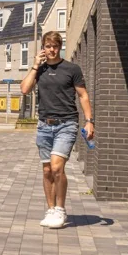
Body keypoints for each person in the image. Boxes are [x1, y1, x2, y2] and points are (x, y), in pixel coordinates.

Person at [20, 30, 93, 229]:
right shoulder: (40, 70)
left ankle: (60, 209)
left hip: (66, 124)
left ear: (59, 47)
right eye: (47, 46)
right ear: (43, 48)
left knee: (56, 168)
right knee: (46, 171)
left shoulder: (72, 69)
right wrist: (35, 66)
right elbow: (24, 89)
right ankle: (51, 209)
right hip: (44, 125)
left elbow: (83, 96)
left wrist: (89, 121)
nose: (51, 50)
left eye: (54, 46)